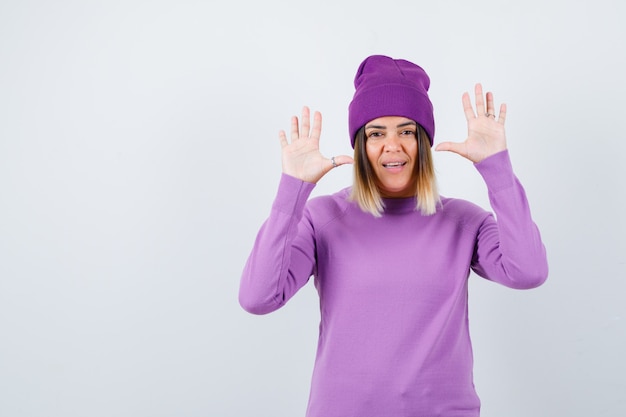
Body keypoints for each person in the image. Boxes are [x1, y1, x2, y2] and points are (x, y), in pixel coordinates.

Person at [238, 54, 548, 417]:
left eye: (406, 131)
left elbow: (528, 271)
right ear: (360, 145)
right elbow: (258, 297)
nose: (393, 145)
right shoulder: (322, 219)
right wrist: (293, 191)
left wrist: (496, 167)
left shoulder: (464, 222)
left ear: (424, 142)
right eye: (376, 133)